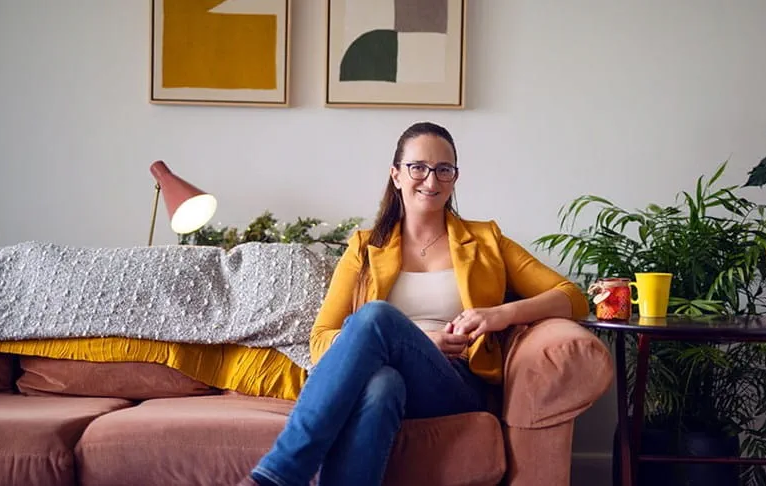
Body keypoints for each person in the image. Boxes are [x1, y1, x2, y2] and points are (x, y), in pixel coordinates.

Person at [243, 122, 589, 486]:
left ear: (455, 178)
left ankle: (276, 476)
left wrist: (500, 314)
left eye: (444, 169)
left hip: (454, 382)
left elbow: (572, 296)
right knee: (382, 384)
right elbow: (320, 341)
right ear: (396, 175)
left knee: (377, 316)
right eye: (418, 167)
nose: (431, 179)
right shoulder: (363, 248)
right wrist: (414, 342)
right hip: (386, 379)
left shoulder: (487, 239)